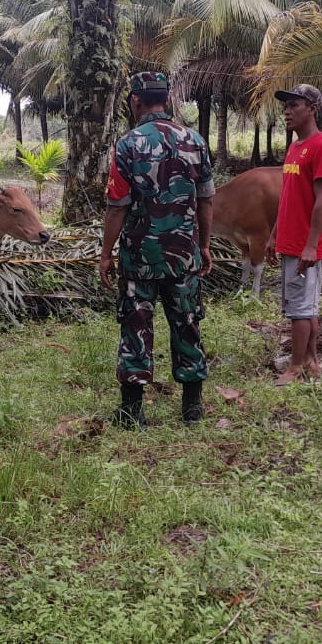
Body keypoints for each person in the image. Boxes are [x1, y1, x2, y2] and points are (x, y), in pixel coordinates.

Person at [99, 71, 215, 428]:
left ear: (135, 100)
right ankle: (192, 409)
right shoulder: (194, 140)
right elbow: (206, 199)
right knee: (187, 323)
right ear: (166, 99)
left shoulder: (128, 145)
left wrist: (106, 254)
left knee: (136, 327)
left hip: (140, 258)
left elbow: (117, 205)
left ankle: (132, 412)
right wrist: (204, 245)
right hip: (183, 255)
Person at [265, 83, 322, 386]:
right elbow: (288, 197)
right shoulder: (295, 148)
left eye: (295, 105)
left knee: (300, 308)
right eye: (286, 105)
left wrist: (311, 245)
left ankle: (295, 367)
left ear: (312, 108)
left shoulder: (321, 146)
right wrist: (273, 235)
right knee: (306, 306)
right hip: (290, 239)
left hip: (305, 244)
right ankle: (311, 362)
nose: (287, 111)